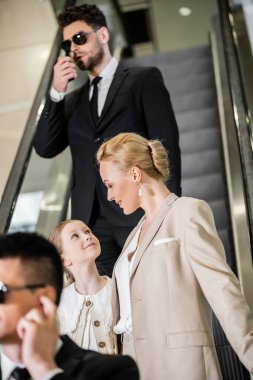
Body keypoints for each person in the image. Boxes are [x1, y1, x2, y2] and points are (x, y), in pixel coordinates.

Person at [34, 3, 181, 277]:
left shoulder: (143, 79)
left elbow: (166, 146)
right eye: (68, 44)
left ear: (102, 35)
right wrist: (56, 91)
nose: (74, 47)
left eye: (79, 38)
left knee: (150, 289)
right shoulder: (74, 101)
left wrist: (166, 210)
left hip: (138, 210)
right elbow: (45, 146)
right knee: (108, 307)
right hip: (91, 224)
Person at [96, 132, 253, 380]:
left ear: (135, 174)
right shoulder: (132, 237)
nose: (109, 196)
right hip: (135, 368)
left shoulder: (188, 212)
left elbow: (222, 290)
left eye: (110, 184)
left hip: (181, 366)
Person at [0, 232, 139, 380]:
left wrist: (43, 368)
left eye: (1, 290)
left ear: (43, 299)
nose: (87, 237)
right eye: (75, 236)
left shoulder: (114, 371)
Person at [49, 219, 114, 353]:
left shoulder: (120, 289)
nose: (87, 236)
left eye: (87, 231)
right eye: (75, 236)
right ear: (64, 260)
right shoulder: (59, 304)